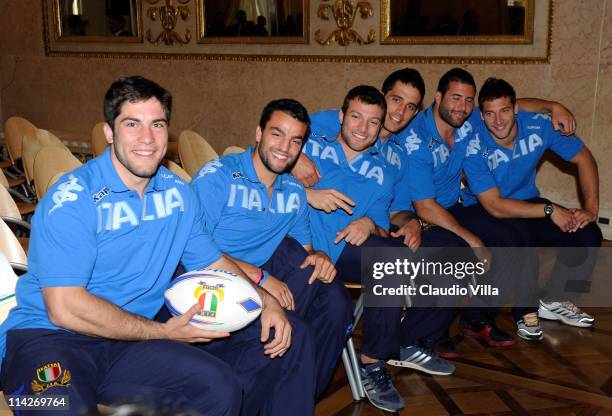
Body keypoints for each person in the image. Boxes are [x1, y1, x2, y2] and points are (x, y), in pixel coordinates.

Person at [0, 76, 315, 416]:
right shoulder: (72, 199)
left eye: (158, 124)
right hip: (45, 340)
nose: (147, 139)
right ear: (110, 133)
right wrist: (161, 332)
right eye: (132, 124)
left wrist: (265, 300)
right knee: (63, 409)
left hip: (127, 342)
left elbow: (211, 261)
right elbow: (65, 308)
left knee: (219, 387)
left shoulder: (177, 195)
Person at [190, 98, 352, 398]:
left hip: (259, 279)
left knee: (333, 300)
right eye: (277, 134)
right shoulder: (219, 177)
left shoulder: (293, 192)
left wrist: (320, 257)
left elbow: (304, 251)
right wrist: (259, 279)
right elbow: (192, 249)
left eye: (295, 140)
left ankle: (301, 388)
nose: (285, 147)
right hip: (207, 282)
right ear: (258, 133)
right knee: (294, 332)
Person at [461, 77, 602, 335]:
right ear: (481, 116)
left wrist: (591, 209)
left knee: (588, 233)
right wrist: (549, 210)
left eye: (505, 111)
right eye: (490, 114)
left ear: (516, 110)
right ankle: (525, 311)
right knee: (520, 236)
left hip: (527, 202)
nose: (499, 121)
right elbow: (495, 206)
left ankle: (554, 298)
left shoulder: (538, 126)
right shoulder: (473, 143)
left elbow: (584, 158)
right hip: (484, 209)